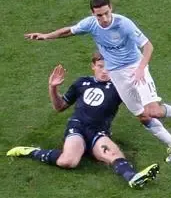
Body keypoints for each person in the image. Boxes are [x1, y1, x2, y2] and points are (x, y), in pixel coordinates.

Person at [25, 0, 171, 164]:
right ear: (93, 14)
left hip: (135, 67)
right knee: (142, 116)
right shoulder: (90, 24)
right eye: (99, 15)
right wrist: (46, 36)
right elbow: (69, 31)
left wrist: (141, 69)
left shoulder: (124, 24)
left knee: (153, 110)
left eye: (106, 13)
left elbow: (148, 47)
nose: (103, 18)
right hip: (116, 74)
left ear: (111, 8)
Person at [7, 53, 158, 189]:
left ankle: (133, 178)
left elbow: (139, 106)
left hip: (99, 132)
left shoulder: (119, 87)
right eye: (100, 66)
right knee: (68, 161)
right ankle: (33, 152)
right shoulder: (81, 83)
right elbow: (59, 107)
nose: (105, 71)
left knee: (113, 155)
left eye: (109, 67)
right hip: (77, 128)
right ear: (93, 66)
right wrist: (52, 88)